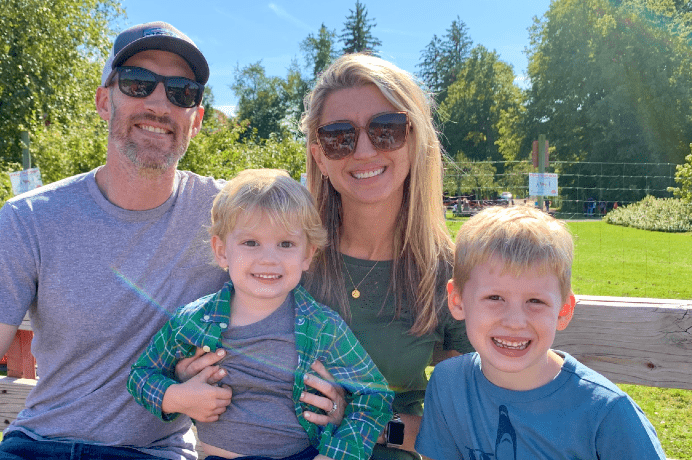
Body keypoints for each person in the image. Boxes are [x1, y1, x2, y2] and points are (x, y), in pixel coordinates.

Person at [0, 22, 341, 460]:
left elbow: (315, 238)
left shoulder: (233, 219)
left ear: (196, 120)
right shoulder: (30, 220)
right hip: (36, 446)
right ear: (103, 101)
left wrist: (346, 399)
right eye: (137, 83)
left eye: (181, 92)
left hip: (152, 451)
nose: (159, 104)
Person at [128, 169, 393, 460]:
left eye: (286, 244)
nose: (269, 258)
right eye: (251, 243)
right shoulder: (194, 321)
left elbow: (374, 397)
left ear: (307, 254)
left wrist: (335, 455)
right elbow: (141, 375)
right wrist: (175, 397)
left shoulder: (322, 327)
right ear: (222, 251)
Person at [299, 53, 474, 460]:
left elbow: (469, 424)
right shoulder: (287, 260)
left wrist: (368, 424)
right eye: (339, 136)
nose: (363, 150)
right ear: (320, 156)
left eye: (386, 130)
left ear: (414, 141)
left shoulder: (446, 272)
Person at [415, 205, 666, 460]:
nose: (515, 322)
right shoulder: (449, 385)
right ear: (457, 301)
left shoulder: (607, 413)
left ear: (563, 310)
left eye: (535, 301)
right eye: (494, 298)